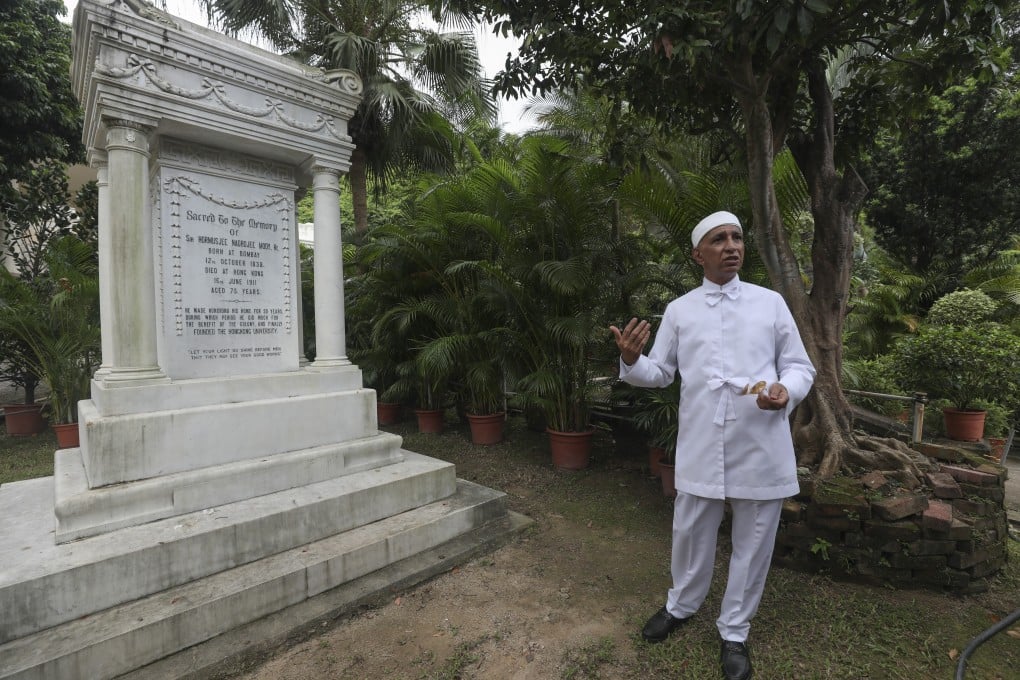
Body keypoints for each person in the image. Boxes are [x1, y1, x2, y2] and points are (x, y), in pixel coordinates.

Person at [610, 210, 815, 680]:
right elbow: (660, 373)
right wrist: (631, 360)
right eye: (719, 239)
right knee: (690, 530)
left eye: (737, 237)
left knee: (755, 539)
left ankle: (735, 631)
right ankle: (681, 606)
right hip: (703, 438)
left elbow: (800, 366)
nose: (731, 246)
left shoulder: (771, 304)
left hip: (760, 440)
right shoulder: (681, 310)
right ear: (697, 254)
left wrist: (787, 390)